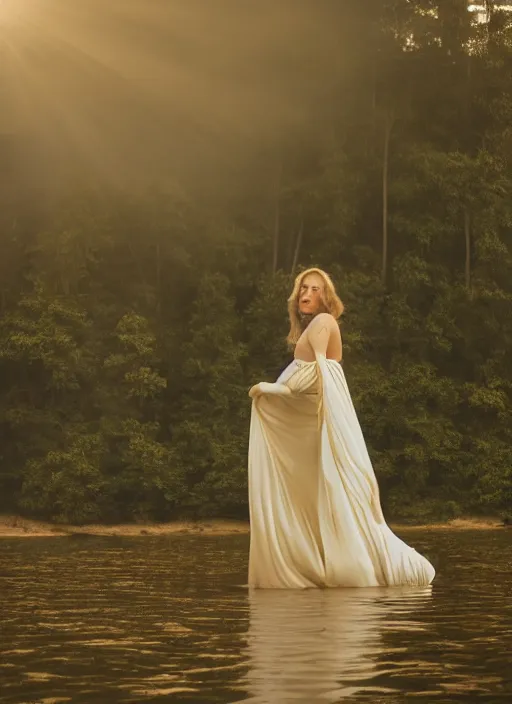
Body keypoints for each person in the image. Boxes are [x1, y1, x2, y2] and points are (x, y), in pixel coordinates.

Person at [247, 267, 435, 589]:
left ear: (326, 297)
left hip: (323, 425)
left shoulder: (323, 322)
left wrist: (273, 389)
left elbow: (320, 369)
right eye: (303, 288)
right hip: (313, 424)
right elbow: (316, 375)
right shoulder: (318, 326)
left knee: (333, 492)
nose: (307, 294)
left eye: (315, 289)